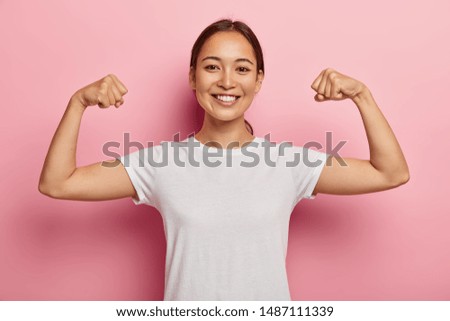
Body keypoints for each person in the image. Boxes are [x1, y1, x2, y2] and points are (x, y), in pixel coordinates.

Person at [38, 19, 409, 300]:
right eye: (212, 66)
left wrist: (362, 95)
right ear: (192, 77)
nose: (227, 81)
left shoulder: (288, 163)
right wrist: (78, 104)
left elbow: (390, 172)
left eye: (242, 68)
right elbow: (57, 183)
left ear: (259, 80)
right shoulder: (160, 164)